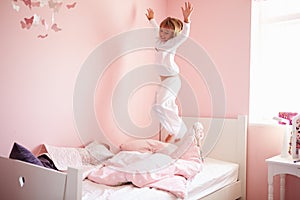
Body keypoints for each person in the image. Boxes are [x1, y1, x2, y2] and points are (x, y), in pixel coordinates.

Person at [146, 2, 193, 143]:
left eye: (167, 33)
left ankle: (181, 134)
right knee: (156, 107)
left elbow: (184, 35)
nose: (163, 34)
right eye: (162, 31)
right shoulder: (158, 40)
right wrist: (151, 19)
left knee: (162, 105)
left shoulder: (172, 43)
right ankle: (174, 132)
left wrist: (186, 20)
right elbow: (156, 29)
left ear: (173, 35)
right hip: (164, 81)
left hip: (172, 79)